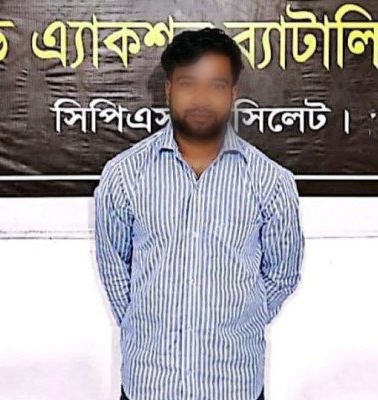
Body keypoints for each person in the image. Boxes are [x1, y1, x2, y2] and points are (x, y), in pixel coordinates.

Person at [94, 27, 304, 400]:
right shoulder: (124, 175)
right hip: (150, 385)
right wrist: (151, 325)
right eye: (188, 83)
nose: (201, 98)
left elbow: (282, 274)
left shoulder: (270, 182)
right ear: (168, 90)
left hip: (233, 385)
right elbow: (115, 267)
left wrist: (238, 321)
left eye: (216, 85)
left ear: (234, 93)